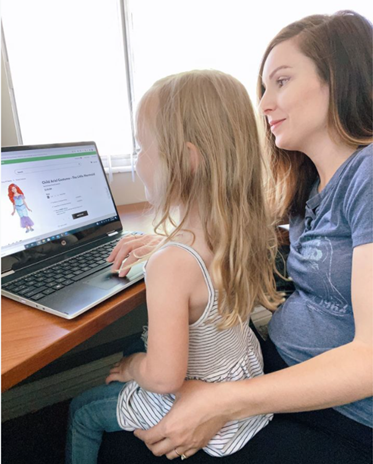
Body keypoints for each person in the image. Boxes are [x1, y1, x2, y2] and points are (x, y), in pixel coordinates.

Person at [99, 10, 373, 464]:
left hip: (344, 412)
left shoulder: (367, 174)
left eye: (281, 81)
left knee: (132, 445)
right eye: (263, 87)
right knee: (140, 355)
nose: (263, 104)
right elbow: (242, 226)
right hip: (283, 361)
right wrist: (176, 245)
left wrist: (224, 400)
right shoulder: (311, 182)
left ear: (342, 79)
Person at [65, 69, 285, 463]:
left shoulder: (171, 264)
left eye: (142, 149)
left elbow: (166, 377)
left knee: (82, 411)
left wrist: (133, 367)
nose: (137, 163)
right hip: (239, 378)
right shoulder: (242, 227)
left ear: (186, 160)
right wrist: (164, 245)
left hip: (191, 401)